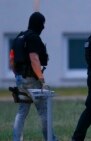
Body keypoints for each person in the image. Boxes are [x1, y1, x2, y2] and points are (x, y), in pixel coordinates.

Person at [10, 12, 58, 141]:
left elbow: (12, 59)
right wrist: (41, 80)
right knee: (44, 111)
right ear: (38, 24)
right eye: (42, 24)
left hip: (21, 78)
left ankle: (16, 139)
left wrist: (18, 76)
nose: (43, 27)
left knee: (22, 112)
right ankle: (50, 139)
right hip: (32, 79)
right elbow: (34, 59)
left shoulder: (19, 37)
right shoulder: (33, 38)